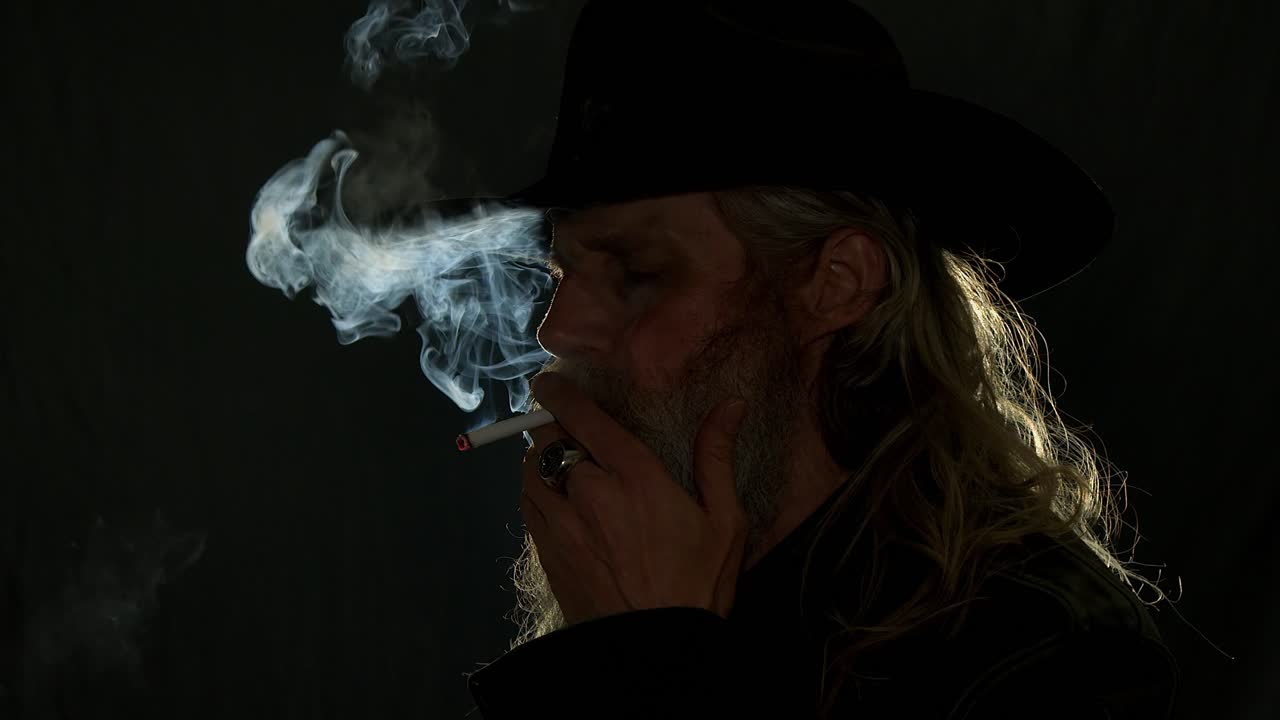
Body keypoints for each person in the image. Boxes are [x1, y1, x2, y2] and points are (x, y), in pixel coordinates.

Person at [462, 1, 1178, 718]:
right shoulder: (616, 573)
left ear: (835, 284)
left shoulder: (1047, 655)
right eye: (561, 276)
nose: (558, 332)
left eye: (637, 272)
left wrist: (651, 663)